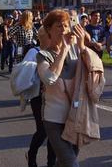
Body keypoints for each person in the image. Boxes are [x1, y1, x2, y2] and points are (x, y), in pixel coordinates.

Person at [37, 10, 95, 167]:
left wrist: (82, 45)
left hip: (75, 116)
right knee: (71, 163)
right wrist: (64, 49)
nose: (63, 29)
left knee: (64, 162)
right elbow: (50, 79)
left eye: (65, 25)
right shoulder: (43, 55)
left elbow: (92, 69)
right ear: (49, 30)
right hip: (54, 119)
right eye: (58, 26)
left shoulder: (76, 50)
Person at [28, 27, 56, 167]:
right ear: (42, 38)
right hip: (38, 97)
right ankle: (31, 156)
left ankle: (51, 163)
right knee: (43, 131)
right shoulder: (34, 52)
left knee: (54, 133)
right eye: (48, 36)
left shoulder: (55, 51)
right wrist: (39, 69)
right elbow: (25, 72)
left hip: (55, 97)